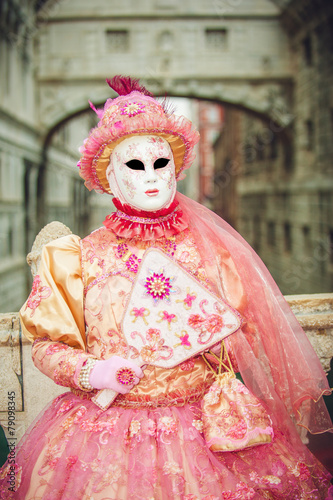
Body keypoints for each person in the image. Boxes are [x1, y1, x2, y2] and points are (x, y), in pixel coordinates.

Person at [0, 76, 332, 500]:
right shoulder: (75, 257)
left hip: (204, 424)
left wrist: (215, 342)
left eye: (161, 164)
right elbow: (45, 344)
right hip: (104, 430)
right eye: (134, 166)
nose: (152, 177)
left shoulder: (210, 251)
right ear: (108, 177)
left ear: (176, 167)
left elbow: (244, 332)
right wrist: (94, 371)